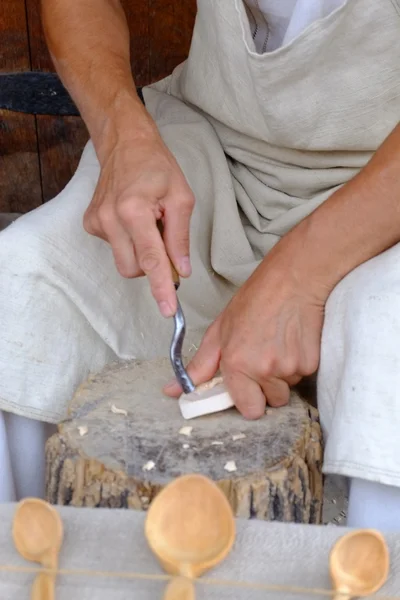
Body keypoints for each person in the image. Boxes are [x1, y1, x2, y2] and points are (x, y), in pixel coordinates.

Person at [1, 0, 400, 529]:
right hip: (215, 140)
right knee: (24, 277)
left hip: (381, 186)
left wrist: (296, 279)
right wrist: (123, 134)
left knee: (385, 332)